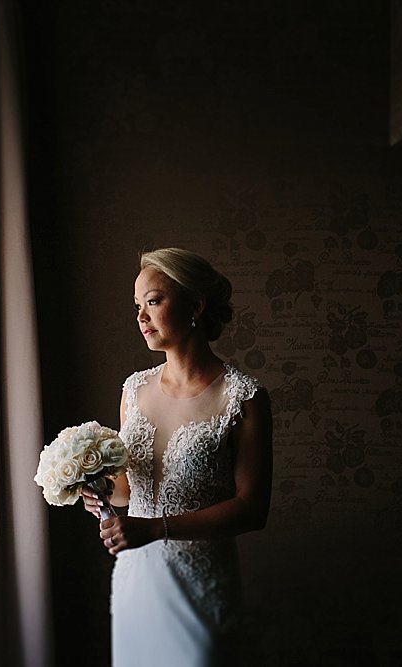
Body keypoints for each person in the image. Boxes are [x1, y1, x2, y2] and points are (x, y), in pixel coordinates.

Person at [81, 247, 273, 666]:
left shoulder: (243, 397)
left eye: (153, 301)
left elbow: (252, 509)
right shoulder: (134, 391)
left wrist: (156, 529)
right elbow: (127, 494)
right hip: (137, 586)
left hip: (200, 586)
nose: (140, 317)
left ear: (196, 305)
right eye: (137, 306)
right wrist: (99, 495)